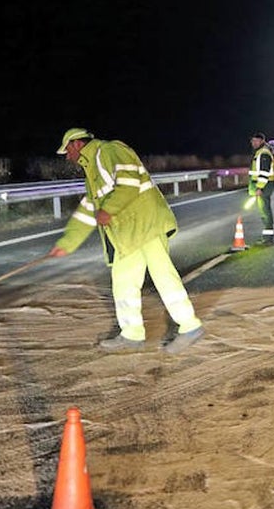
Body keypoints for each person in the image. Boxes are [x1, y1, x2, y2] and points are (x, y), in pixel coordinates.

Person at [47, 128, 204, 354]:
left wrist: (108, 210)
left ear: (76, 144)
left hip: (146, 224)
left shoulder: (109, 150)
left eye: (67, 151)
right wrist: (67, 243)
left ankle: (190, 326)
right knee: (123, 280)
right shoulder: (91, 169)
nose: (67, 157)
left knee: (163, 275)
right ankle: (131, 334)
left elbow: (129, 183)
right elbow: (89, 209)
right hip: (128, 233)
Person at [249, 132, 274, 245]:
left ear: (261, 141)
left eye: (255, 141)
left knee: (265, 211)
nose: (253, 143)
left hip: (265, 185)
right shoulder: (261, 152)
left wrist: (259, 188)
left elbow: (264, 173)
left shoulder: (263, 153)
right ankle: (267, 237)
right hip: (265, 184)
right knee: (264, 210)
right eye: (252, 141)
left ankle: (268, 239)